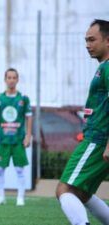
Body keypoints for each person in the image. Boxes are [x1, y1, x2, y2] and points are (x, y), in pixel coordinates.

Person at [56, 19, 109, 225]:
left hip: (98, 139)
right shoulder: (102, 68)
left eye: (92, 39)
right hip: (97, 139)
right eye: (86, 40)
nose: (87, 44)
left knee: (65, 189)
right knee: (83, 193)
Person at [0, 68, 32, 206]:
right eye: (9, 77)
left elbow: (29, 118)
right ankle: (1, 197)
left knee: (20, 170)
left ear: (17, 80)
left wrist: (28, 136)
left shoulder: (23, 99)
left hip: (18, 140)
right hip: (3, 141)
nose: (11, 80)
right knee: (0, 169)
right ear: (5, 79)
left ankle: (20, 198)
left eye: (14, 77)